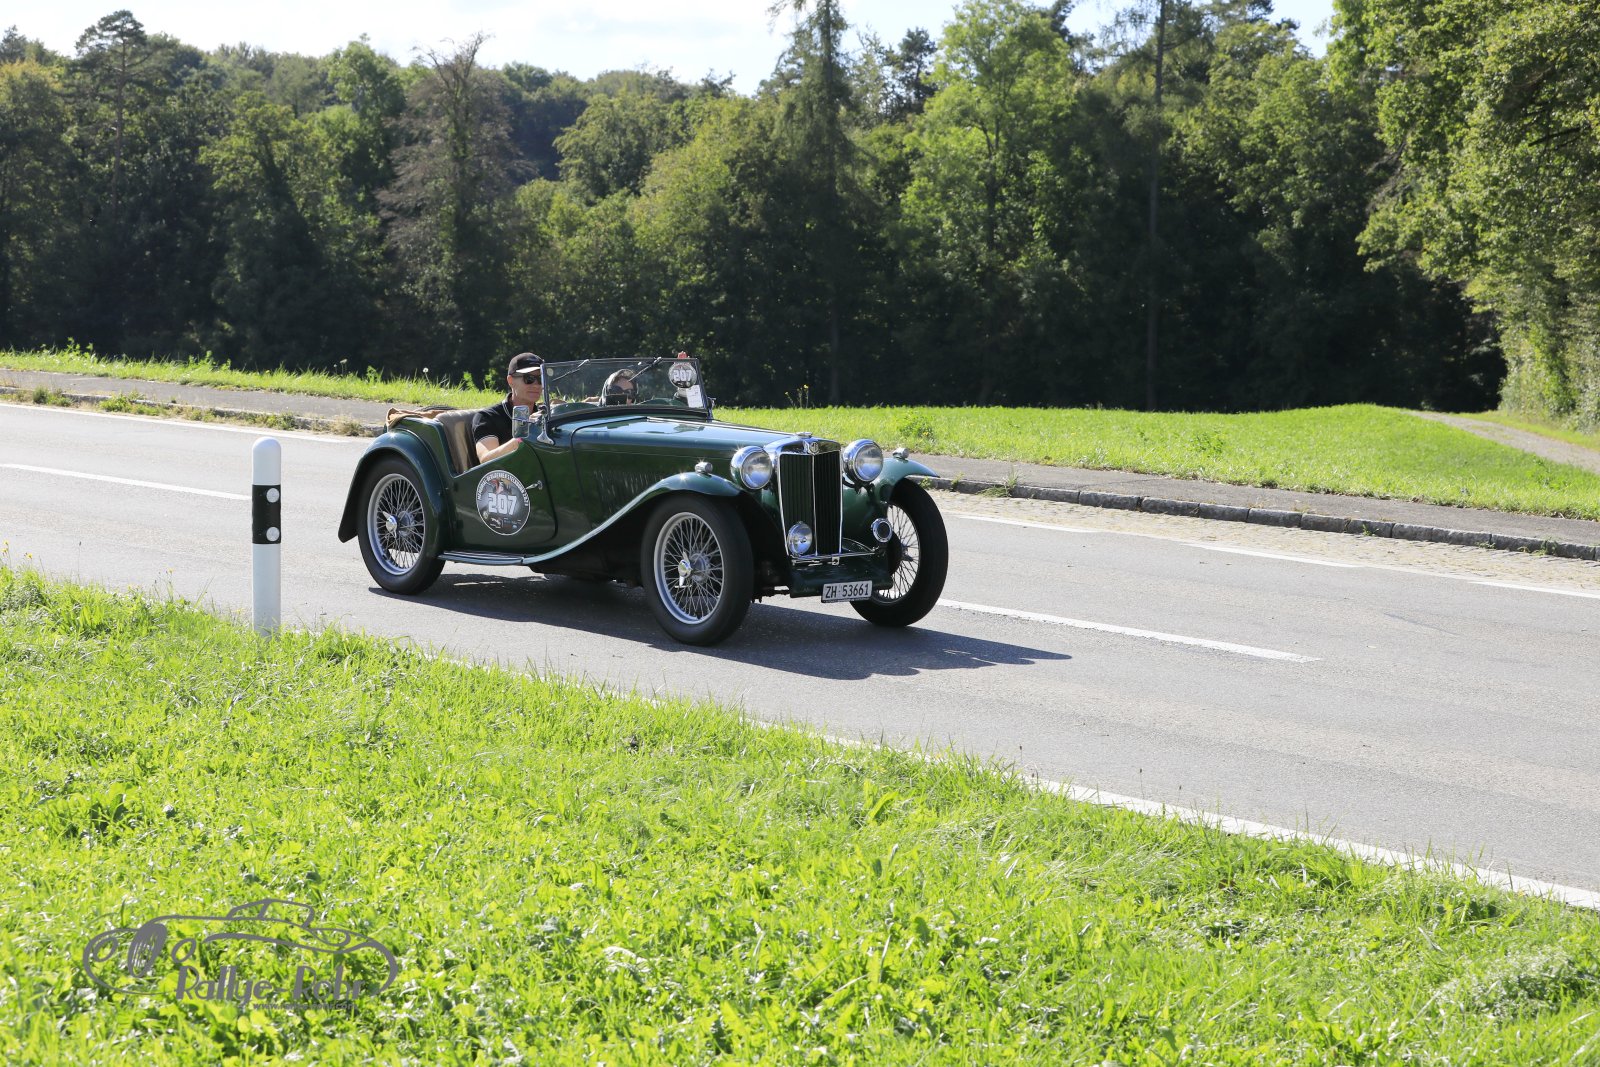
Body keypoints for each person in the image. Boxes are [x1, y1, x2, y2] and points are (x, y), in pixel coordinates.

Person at [472, 352, 543, 464]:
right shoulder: (487, 417)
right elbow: (486, 460)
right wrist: (524, 435)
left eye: (541, 379)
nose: (536, 385)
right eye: (529, 378)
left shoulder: (543, 414)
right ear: (511, 381)